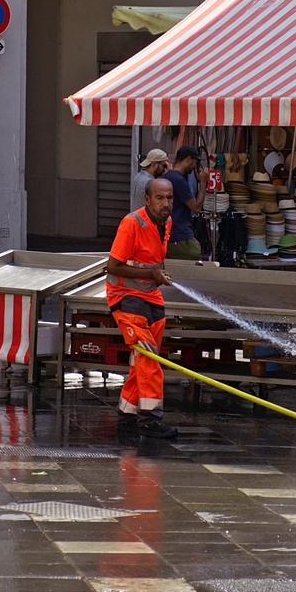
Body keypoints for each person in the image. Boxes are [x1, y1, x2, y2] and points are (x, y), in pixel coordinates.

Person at [106, 177, 177, 438]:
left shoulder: (167, 223)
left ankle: (127, 417)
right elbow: (112, 266)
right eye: (159, 198)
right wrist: (152, 273)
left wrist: (156, 275)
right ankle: (150, 421)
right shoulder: (131, 224)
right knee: (149, 359)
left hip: (151, 296)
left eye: (169, 198)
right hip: (125, 297)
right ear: (147, 200)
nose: (165, 203)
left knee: (141, 361)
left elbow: (153, 261)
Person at [162, 145, 204, 259]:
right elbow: (196, 208)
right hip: (179, 234)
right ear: (188, 159)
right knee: (193, 258)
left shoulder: (171, 175)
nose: (195, 167)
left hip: (173, 232)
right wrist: (203, 183)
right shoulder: (178, 179)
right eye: (195, 163)